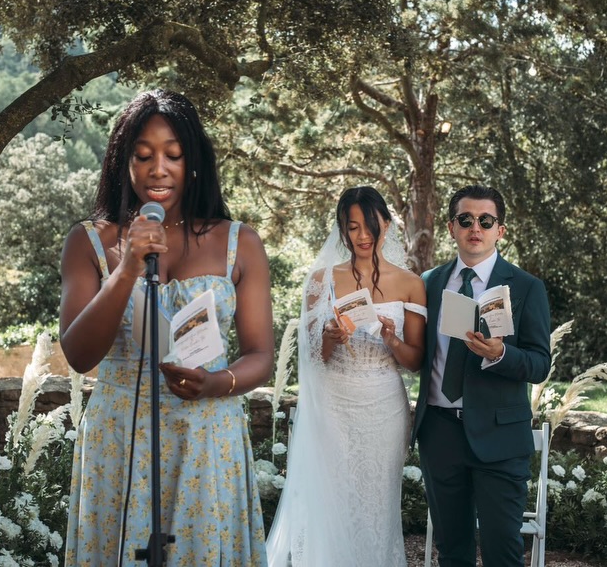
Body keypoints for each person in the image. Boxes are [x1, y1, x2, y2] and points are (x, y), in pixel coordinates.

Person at [60, 89, 274, 566]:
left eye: (173, 155)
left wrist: (218, 382)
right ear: (125, 164)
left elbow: (261, 354)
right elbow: (78, 354)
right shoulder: (90, 243)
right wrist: (128, 268)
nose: (158, 168)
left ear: (192, 162)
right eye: (143, 155)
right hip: (121, 436)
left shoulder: (240, 243)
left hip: (206, 436)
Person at [266, 186, 427, 566]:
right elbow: (311, 359)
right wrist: (329, 338)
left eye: (370, 225)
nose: (363, 235)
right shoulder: (322, 280)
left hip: (384, 406)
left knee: (377, 502)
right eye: (352, 227)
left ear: (386, 223)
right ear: (342, 230)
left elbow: (416, 361)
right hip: (333, 406)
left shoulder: (411, 283)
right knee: (331, 499)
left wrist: (391, 338)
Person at [410, 185, 551, 566]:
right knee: (452, 549)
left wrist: (501, 354)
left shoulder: (526, 287)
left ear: (499, 230)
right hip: (439, 432)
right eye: (466, 219)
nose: (476, 227)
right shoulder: (428, 283)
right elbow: (418, 356)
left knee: (502, 549)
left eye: (486, 221)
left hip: (500, 437)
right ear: (451, 226)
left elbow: (540, 365)